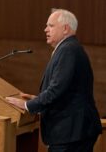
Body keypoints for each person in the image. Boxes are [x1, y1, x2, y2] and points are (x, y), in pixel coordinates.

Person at [6, 9, 102, 152]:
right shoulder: (69, 48)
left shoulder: (68, 49)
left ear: (65, 29)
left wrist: (28, 105)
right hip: (72, 131)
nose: (45, 30)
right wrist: (38, 99)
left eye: (51, 25)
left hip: (71, 132)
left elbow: (57, 89)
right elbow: (65, 90)